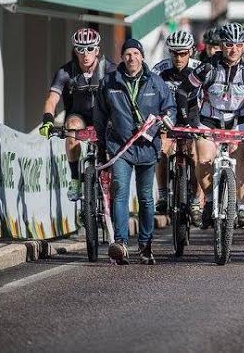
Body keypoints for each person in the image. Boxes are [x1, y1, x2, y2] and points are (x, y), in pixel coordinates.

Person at [180, 23, 244, 228]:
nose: (234, 50)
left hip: (237, 123)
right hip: (209, 122)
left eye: (239, 45)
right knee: (204, 159)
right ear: (221, 45)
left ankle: (241, 206)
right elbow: (182, 91)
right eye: (229, 45)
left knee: (238, 160)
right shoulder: (208, 67)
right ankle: (209, 200)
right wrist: (188, 120)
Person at [97, 39, 176, 265]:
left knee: (146, 198)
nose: (131, 58)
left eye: (135, 53)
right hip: (120, 147)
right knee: (120, 192)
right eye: (127, 54)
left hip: (147, 147)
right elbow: (100, 114)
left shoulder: (155, 81)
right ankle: (120, 244)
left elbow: (169, 107)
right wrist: (102, 144)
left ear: (142, 56)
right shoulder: (109, 82)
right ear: (122, 57)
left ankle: (145, 245)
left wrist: (166, 121)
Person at [40, 28, 116, 201]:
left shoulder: (111, 69)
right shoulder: (66, 72)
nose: (85, 54)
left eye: (90, 48)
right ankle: (75, 179)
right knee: (71, 129)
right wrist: (47, 120)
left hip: (103, 118)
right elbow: (52, 100)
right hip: (79, 116)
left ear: (97, 50)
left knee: (110, 147)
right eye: (80, 49)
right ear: (75, 50)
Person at [152, 30, 200, 213]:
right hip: (168, 113)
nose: (178, 58)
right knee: (162, 150)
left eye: (183, 53)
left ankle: (196, 200)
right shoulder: (159, 69)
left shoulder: (198, 68)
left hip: (192, 112)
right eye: (174, 53)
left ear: (191, 51)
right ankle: (163, 195)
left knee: (195, 154)